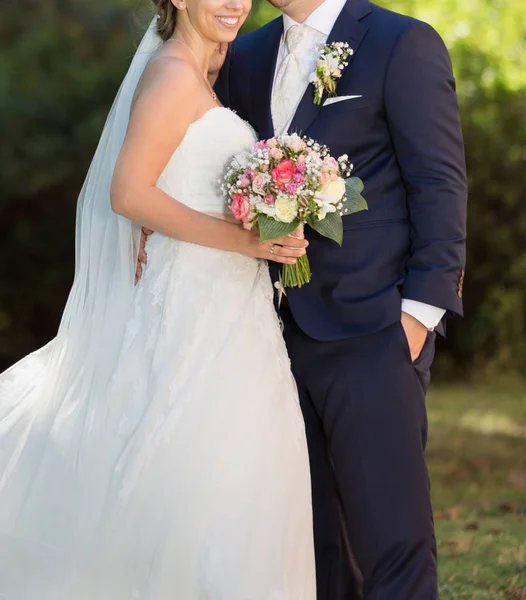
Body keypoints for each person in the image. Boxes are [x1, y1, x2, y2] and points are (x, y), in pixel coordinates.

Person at [0, 0, 316, 597]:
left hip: (231, 307)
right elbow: (128, 193)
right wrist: (245, 242)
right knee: (198, 465)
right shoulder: (173, 73)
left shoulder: (206, 70)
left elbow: (176, 179)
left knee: (240, 470)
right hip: (193, 305)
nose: (235, 3)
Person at [212, 0, 468, 597]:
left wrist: (416, 317)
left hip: (373, 329)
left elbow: (439, 183)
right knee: (312, 544)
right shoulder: (242, 57)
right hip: (265, 338)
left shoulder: (401, 43)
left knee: (391, 540)